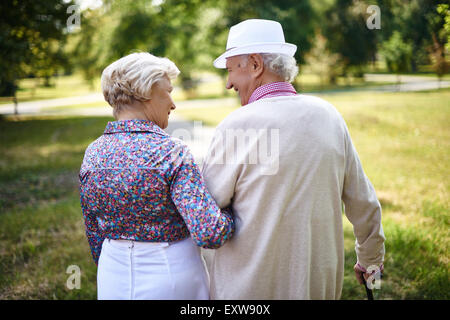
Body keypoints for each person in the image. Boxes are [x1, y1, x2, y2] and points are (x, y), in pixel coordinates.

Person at [201, 19, 385, 299]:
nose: (228, 83)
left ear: (254, 64)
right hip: (318, 289)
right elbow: (364, 203)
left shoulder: (237, 126)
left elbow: (204, 213)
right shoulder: (329, 116)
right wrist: (371, 261)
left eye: (230, 71)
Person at [79, 52, 234, 300]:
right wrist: (230, 213)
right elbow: (209, 231)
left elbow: (94, 231)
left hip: (112, 276)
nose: (173, 103)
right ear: (146, 93)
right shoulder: (171, 152)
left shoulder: (93, 153)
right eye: (167, 92)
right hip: (171, 275)